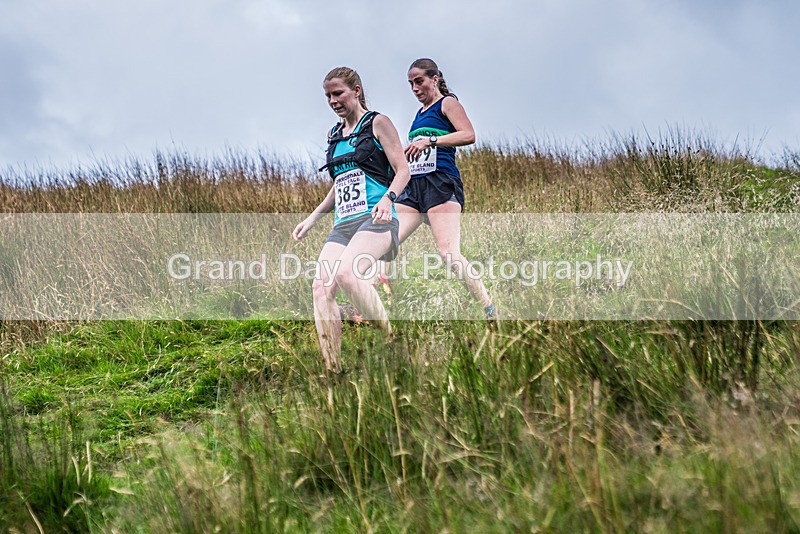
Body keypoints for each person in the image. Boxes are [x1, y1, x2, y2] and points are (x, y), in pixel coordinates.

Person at [292, 67, 411, 373]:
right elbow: (341, 183)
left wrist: (389, 199)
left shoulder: (378, 123)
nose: (333, 100)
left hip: (377, 217)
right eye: (328, 96)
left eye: (338, 93)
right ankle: (334, 370)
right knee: (321, 286)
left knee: (347, 273)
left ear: (356, 90)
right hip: (343, 223)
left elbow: (403, 170)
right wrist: (313, 217)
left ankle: (389, 339)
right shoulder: (334, 134)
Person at [381, 58, 495, 320]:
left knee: (448, 253)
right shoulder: (418, 114)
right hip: (414, 188)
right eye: (410, 84)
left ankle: (489, 309)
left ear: (434, 79)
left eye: (419, 81)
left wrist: (430, 141)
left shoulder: (448, 103)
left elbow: (468, 134)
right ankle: (370, 307)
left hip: (441, 183)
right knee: (383, 243)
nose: (414, 88)